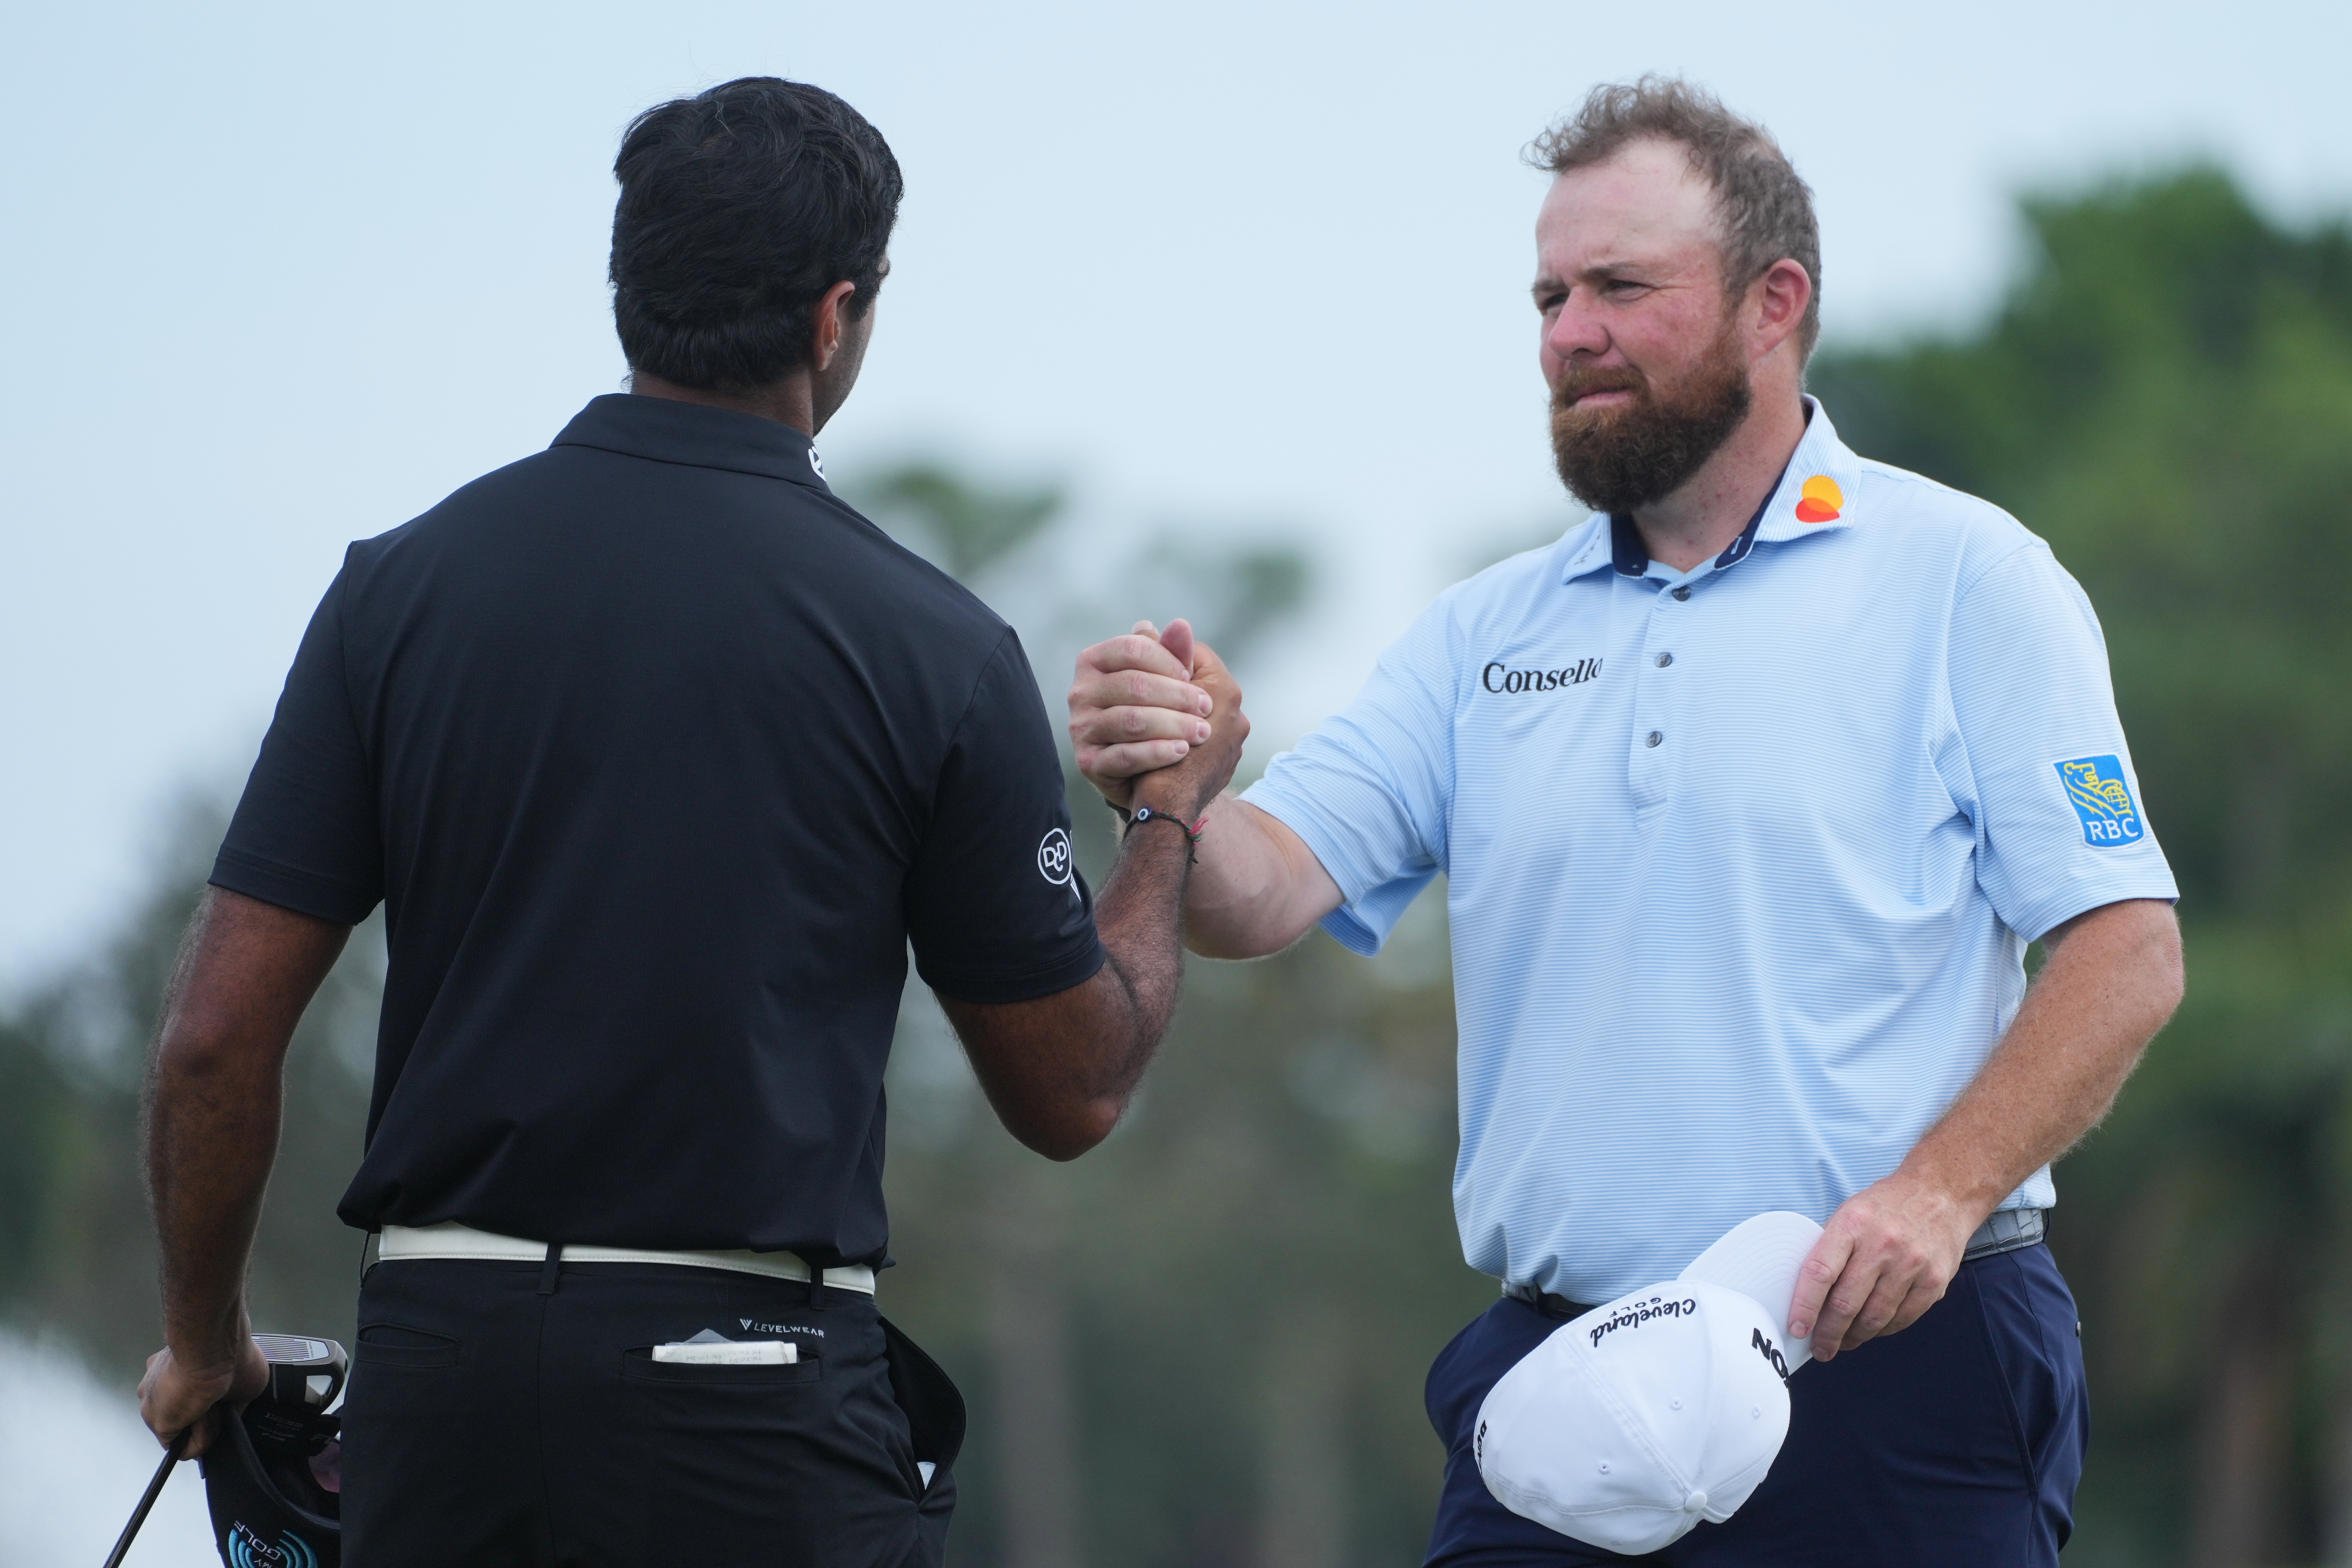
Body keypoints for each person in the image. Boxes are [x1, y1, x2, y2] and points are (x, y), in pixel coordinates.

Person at [1068, 78, 2183, 1565]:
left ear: (1773, 302)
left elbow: (2127, 951)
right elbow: (1258, 894)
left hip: (1895, 1362)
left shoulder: (1970, 576)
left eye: (1620, 287)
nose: (1565, 333)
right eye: (1547, 294)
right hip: (1563, 1383)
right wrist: (1178, 794)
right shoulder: (1484, 633)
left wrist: (1937, 1192)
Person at [137, 76, 1244, 1566]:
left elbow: (213, 1039)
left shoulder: (397, 591)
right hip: (751, 1402)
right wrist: (1166, 823)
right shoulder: (931, 646)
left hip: (437, 1389)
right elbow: (1076, 1090)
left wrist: (203, 1348)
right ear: (834, 314)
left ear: (633, 289)